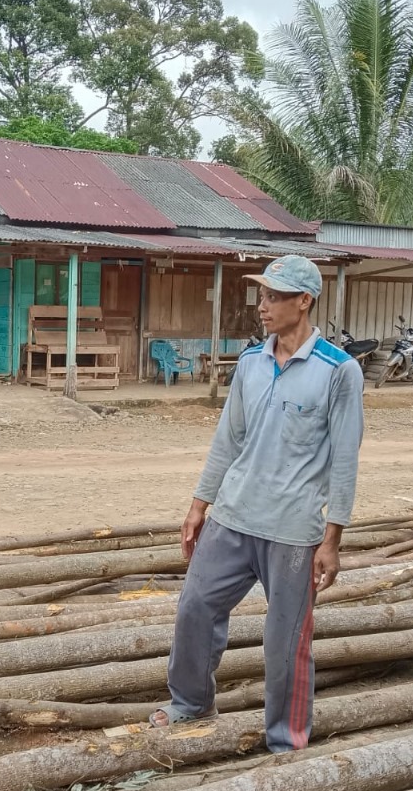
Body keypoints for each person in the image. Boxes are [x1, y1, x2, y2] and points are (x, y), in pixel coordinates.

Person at [148, 254, 363, 753]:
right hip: (233, 514)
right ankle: (191, 701)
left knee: (286, 640)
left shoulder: (339, 371)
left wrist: (333, 539)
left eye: (273, 297)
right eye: (261, 296)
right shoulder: (250, 363)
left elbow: (346, 459)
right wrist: (199, 505)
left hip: (293, 529)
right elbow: (228, 440)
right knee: (196, 607)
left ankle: (286, 740)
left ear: (304, 301)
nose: (261, 306)